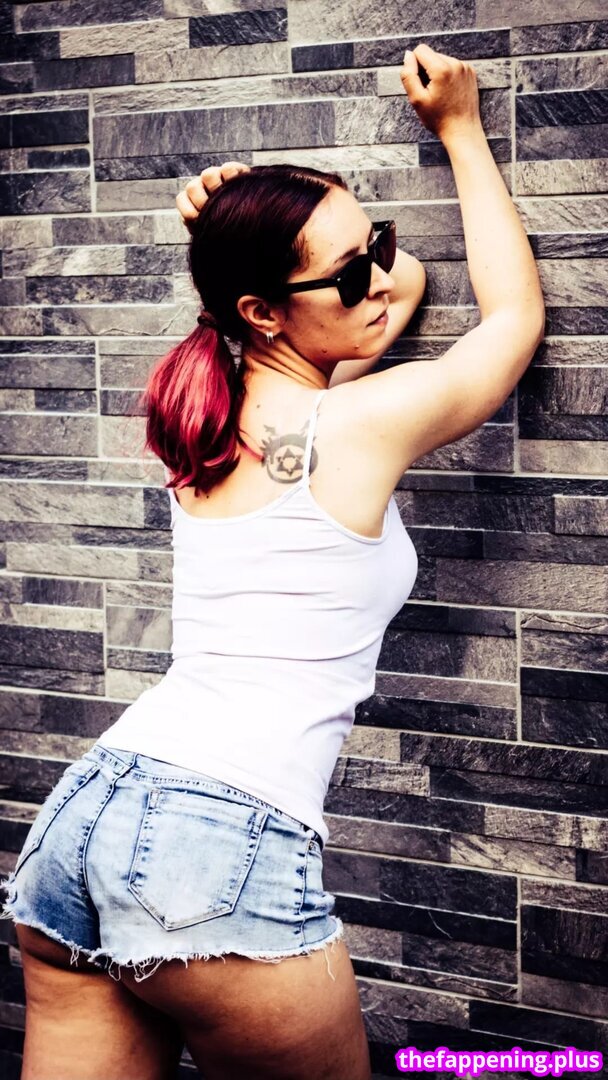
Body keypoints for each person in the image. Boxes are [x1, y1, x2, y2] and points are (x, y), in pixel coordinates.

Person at [0, 43, 544, 1080]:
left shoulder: (210, 408)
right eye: (347, 272)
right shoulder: (355, 423)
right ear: (261, 311)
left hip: (87, 817)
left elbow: (391, 291)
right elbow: (510, 319)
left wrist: (253, 226)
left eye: (374, 243)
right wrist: (460, 128)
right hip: (218, 836)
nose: (377, 275)